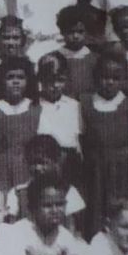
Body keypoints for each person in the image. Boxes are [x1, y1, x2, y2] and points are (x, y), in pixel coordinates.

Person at [81, 52, 128, 238]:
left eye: (115, 78)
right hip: (97, 171)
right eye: (104, 77)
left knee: (127, 212)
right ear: (96, 78)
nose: (109, 82)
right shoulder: (86, 104)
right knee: (99, 211)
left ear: (124, 79)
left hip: (127, 171)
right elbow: (82, 139)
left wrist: (127, 161)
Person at [6, 135, 85, 236]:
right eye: (33, 163)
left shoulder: (68, 191)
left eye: (43, 163)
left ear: (56, 162)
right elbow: (11, 229)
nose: (38, 168)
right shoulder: (17, 193)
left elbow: (73, 230)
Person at [0, 56, 40, 188]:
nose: (16, 82)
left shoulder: (36, 109)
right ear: (2, 81)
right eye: (10, 77)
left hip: (29, 167)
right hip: (1, 169)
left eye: (20, 77)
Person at [35, 52, 83, 187]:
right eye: (50, 80)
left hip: (70, 162)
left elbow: (78, 139)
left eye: (60, 80)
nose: (55, 85)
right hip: (43, 162)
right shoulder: (34, 106)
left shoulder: (74, 106)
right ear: (40, 80)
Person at [55, 5, 99, 101]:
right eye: (71, 32)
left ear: (87, 32)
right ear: (62, 32)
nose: (75, 36)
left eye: (80, 31)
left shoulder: (95, 60)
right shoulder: (54, 58)